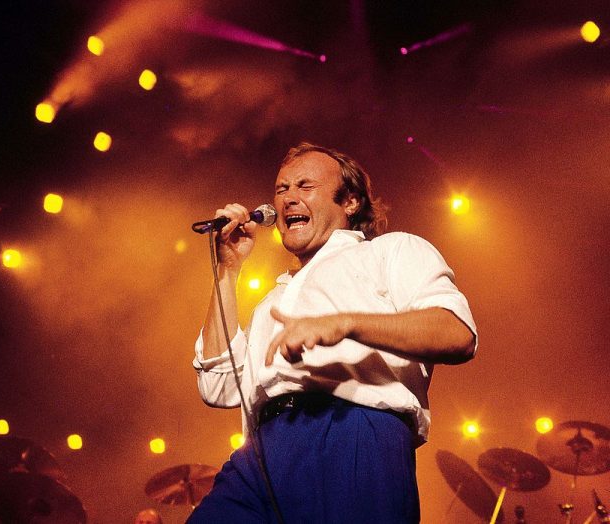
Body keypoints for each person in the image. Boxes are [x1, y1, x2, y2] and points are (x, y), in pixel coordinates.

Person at [189, 143, 477, 523]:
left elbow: (457, 333)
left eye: (305, 186)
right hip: (259, 453)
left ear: (351, 202)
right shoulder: (273, 301)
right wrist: (228, 270)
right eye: (281, 189)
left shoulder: (390, 252)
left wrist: (345, 323)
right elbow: (218, 386)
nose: (288, 198)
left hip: (352, 432)